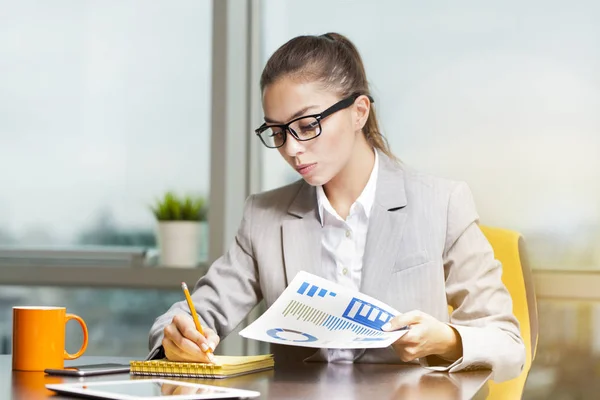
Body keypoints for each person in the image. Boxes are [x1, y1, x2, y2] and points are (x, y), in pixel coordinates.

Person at [148, 32, 525, 382]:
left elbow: (508, 344)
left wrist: (446, 340)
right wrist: (178, 336)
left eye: (307, 125)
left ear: (359, 111)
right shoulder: (264, 217)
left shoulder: (441, 204)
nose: (292, 148)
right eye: (277, 132)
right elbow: (196, 313)